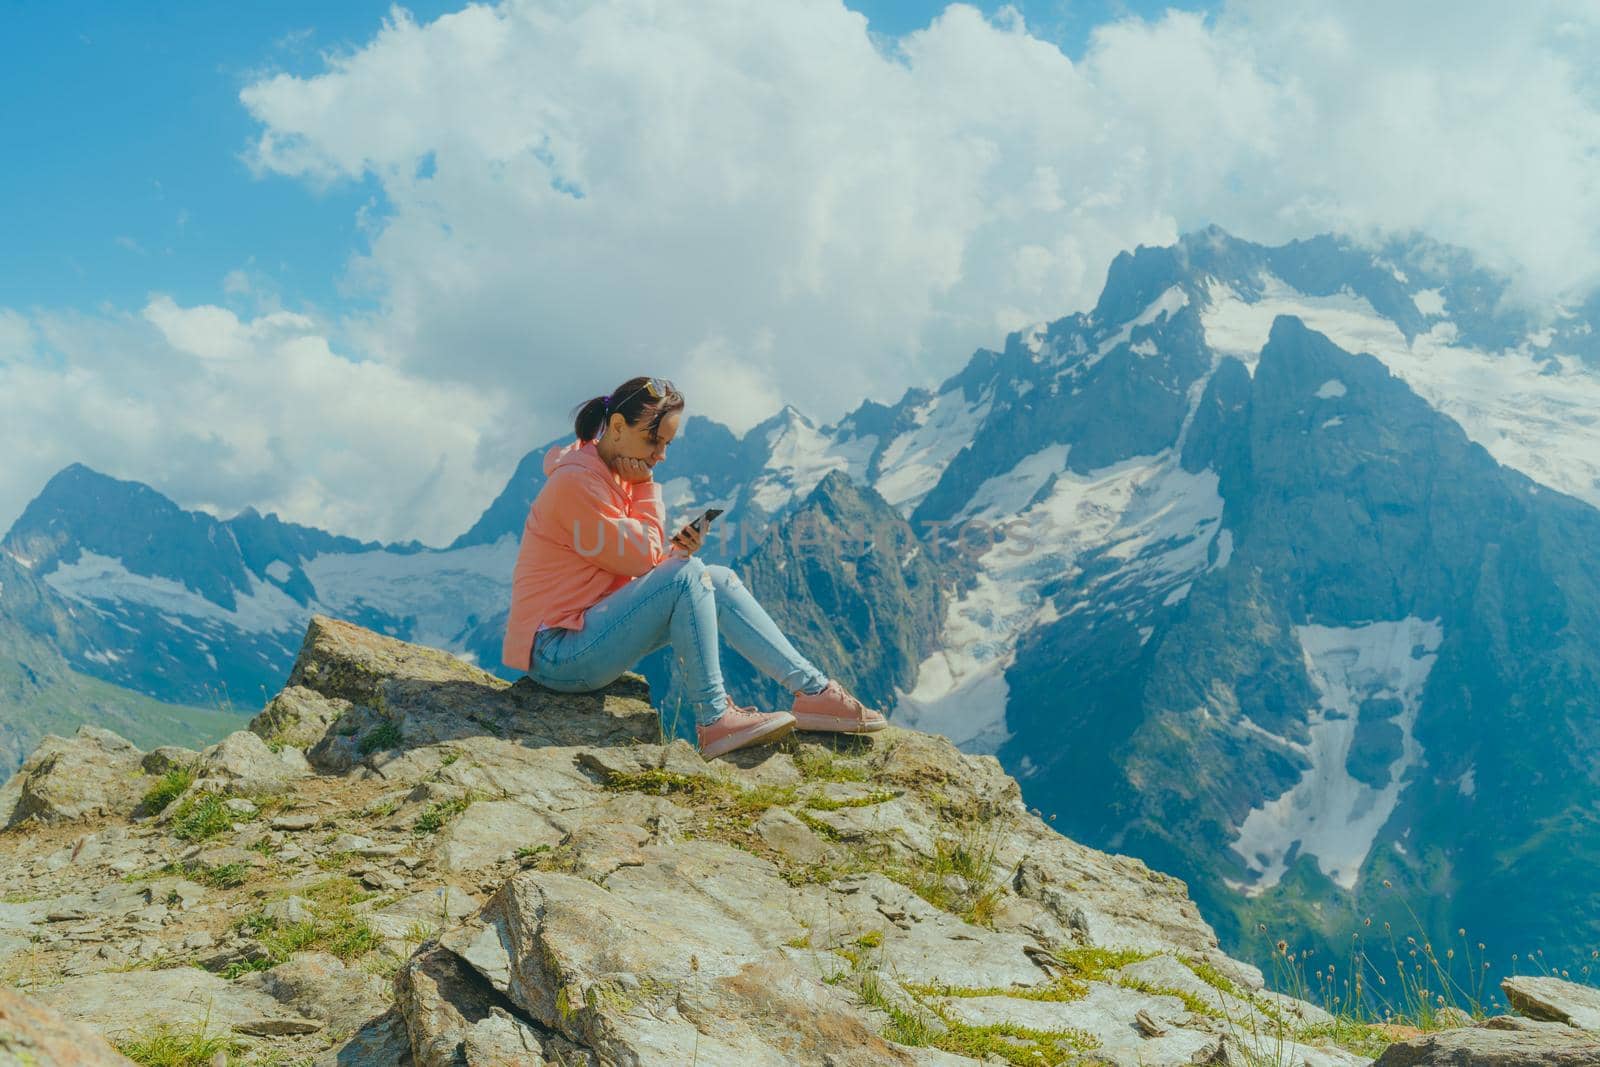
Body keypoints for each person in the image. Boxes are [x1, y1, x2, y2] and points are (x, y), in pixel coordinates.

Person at [501, 376, 887, 758]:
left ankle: (814, 693)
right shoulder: (578, 483)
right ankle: (715, 718)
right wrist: (646, 486)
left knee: (716, 579)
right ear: (617, 427)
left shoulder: (607, 475)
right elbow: (639, 559)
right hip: (556, 653)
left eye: (666, 444)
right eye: (654, 440)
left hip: (584, 633)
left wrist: (675, 556)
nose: (661, 455)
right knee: (688, 575)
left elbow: (629, 563)